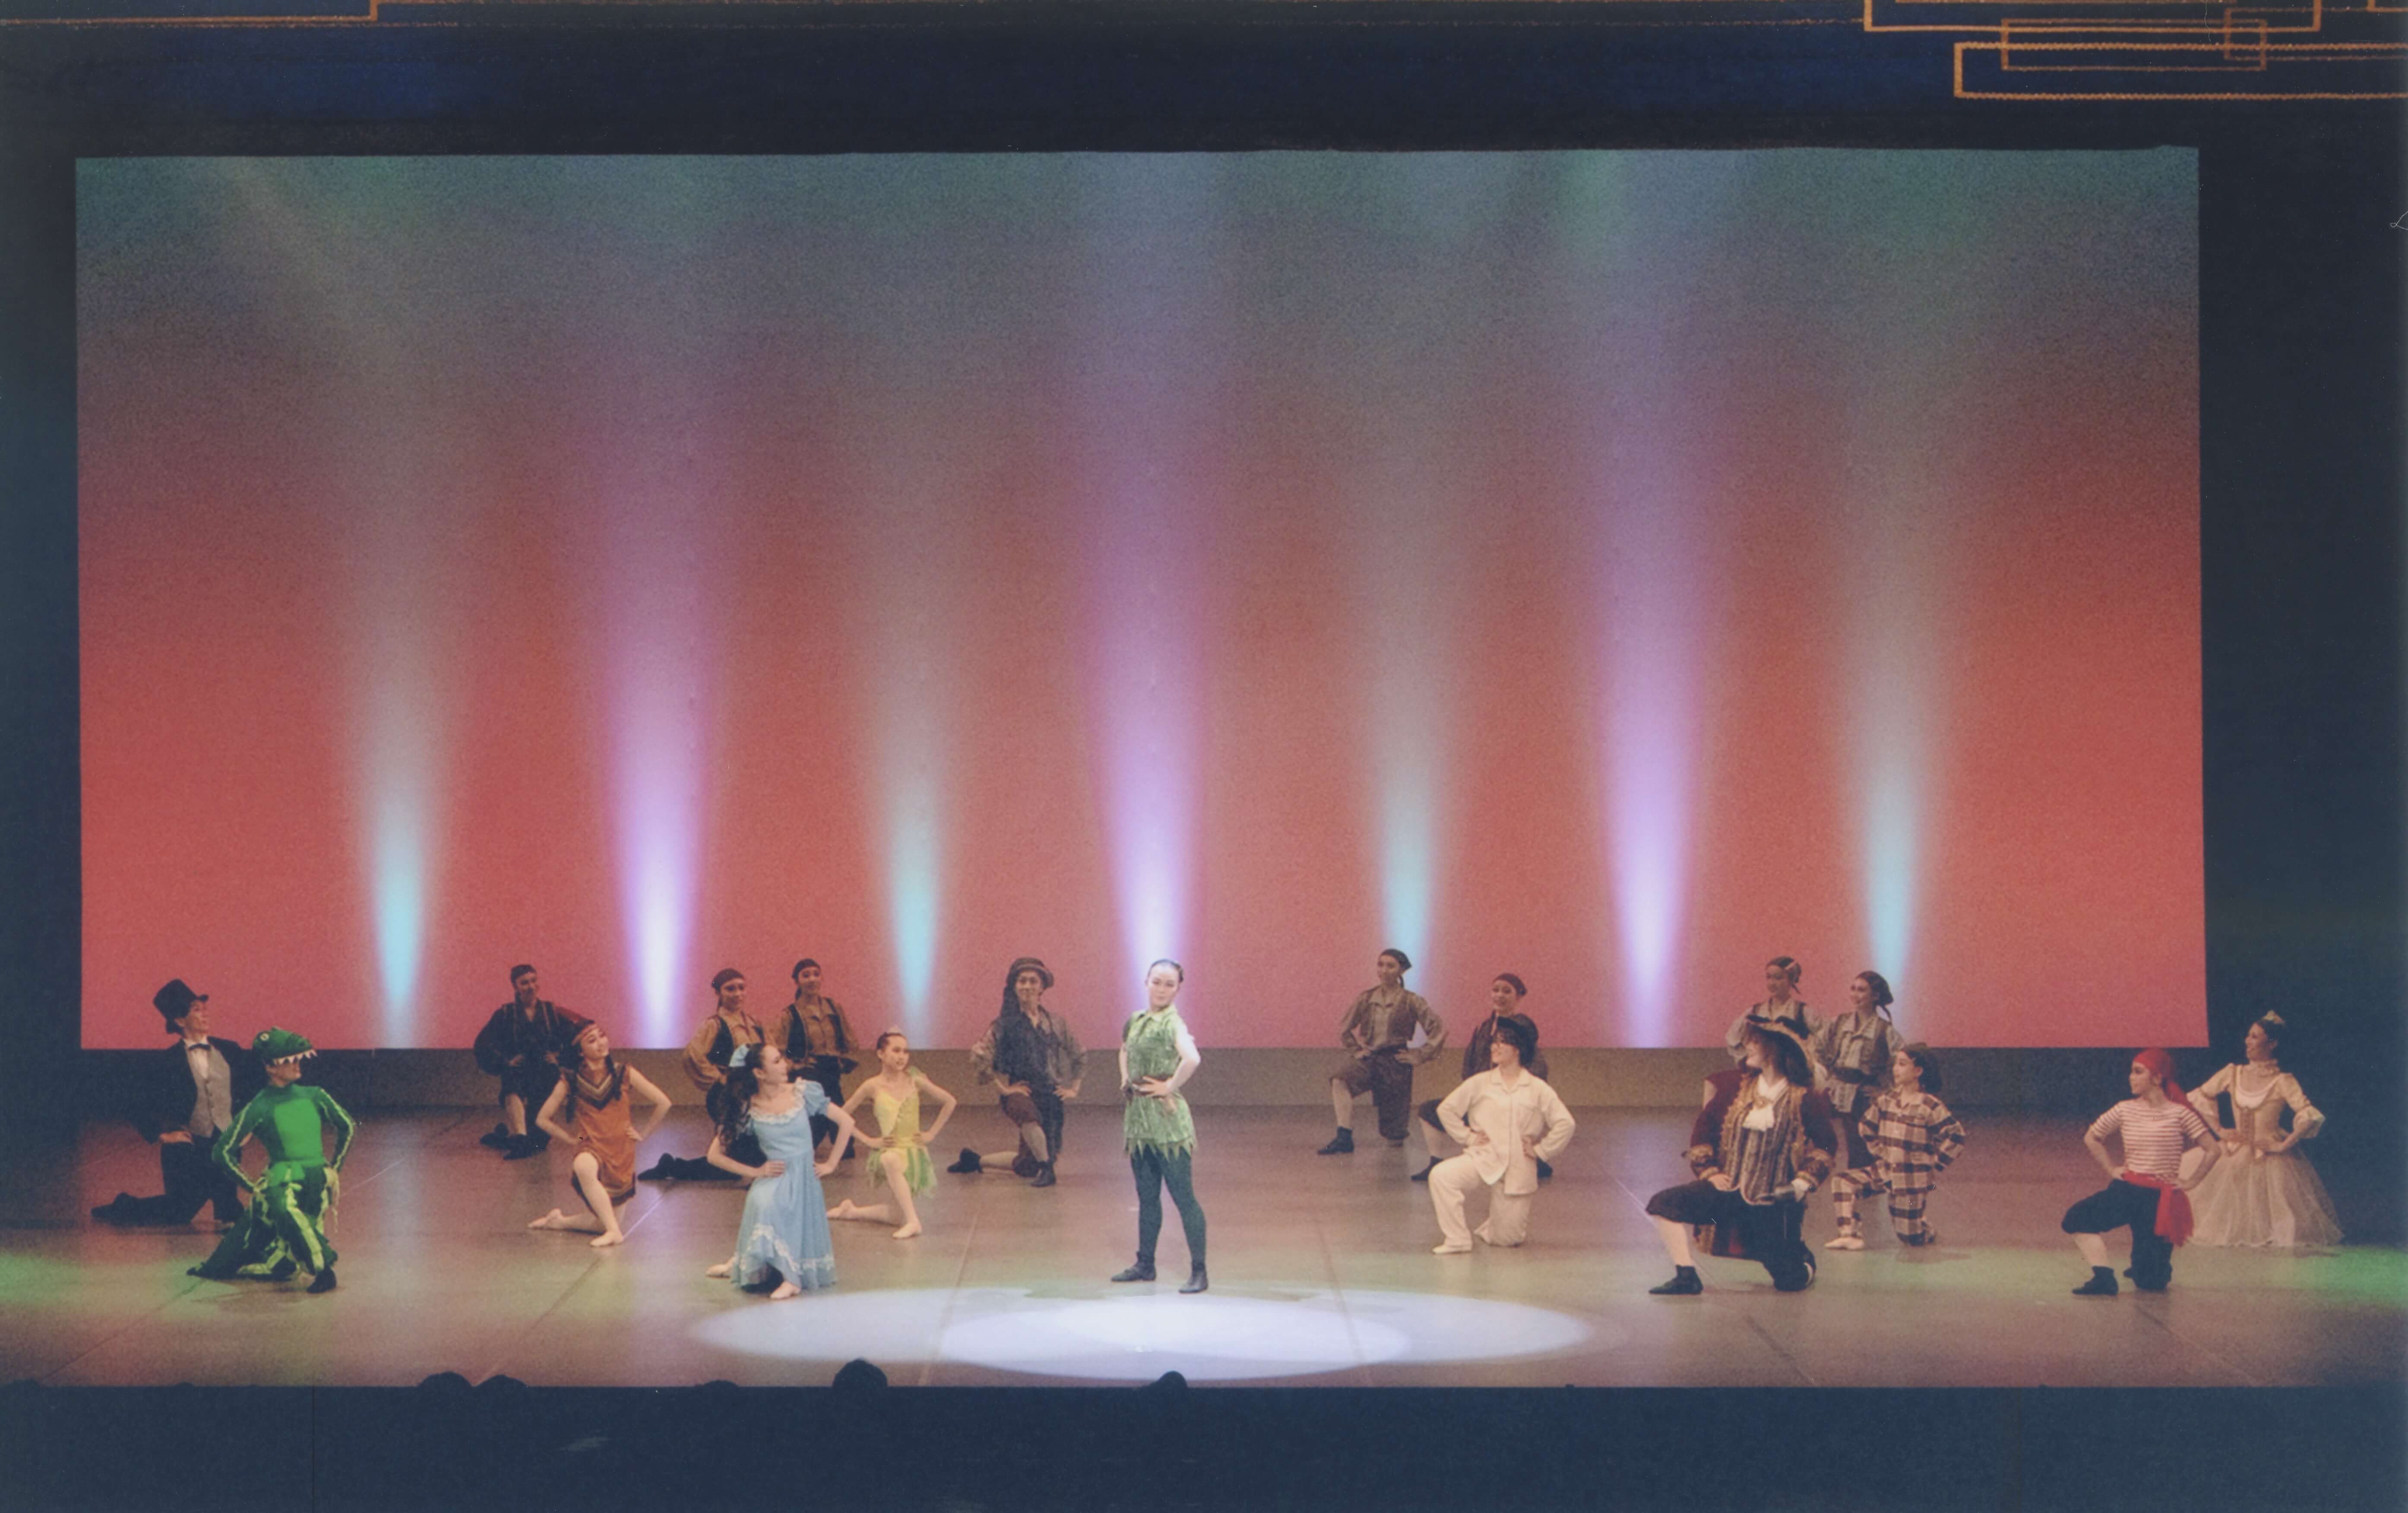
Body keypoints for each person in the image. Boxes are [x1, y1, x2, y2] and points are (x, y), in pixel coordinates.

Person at [1644, 1021, 1836, 1294]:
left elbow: (1826, 1145)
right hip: (1728, 1193)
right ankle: (1686, 1276)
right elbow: (1703, 1131)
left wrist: (1800, 1185)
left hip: (1771, 1202)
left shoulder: (1802, 1098)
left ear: (1774, 1049)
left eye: (1756, 1042)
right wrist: (1710, 1172)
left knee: (1789, 1281)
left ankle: (1802, 1258)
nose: (1749, 1047)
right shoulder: (1734, 1089)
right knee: (1664, 1204)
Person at [188, 1028, 356, 1294]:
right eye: (289, 1061)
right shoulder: (261, 1106)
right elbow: (222, 1151)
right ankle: (323, 1269)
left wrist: (335, 1169)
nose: (297, 1065)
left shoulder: (315, 1095)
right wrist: (252, 1186)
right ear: (271, 1067)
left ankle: (281, 1262)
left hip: (316, 1180)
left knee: (285, 1248)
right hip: (284, 1181)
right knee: (282, 1209)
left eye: (297, 1059)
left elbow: (348, 1125)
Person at [92, 979, 263, 1228]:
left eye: (204, 1008)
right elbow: (133, 1100)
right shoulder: (167, 1062)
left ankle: (229, 1210)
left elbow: (253, 1090)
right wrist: (161, 1134)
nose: (205, 1014)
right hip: (189, 1146)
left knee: (223, 1163)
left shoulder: (230, 1050)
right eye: (196, 1010)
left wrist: (248, 1127)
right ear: (180, 1021)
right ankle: (124, 1205)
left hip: (225, 1139)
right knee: (178, 1212)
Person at [2062, 1048, 2221, 1295]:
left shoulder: (2180, 1114)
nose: (2131, 1077)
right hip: (2128, 1190)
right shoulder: (2125, 1109)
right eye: (2132, 1072)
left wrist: (2191, 1182)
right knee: (2076, 1219)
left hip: (2158, 1200)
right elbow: (2092, 1137)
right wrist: (2111, 1168)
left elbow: (2213, 1149)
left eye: (2138, 1072)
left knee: (2152, 1283)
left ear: (2157, 1078)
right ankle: (2104, 1278)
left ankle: (2145, 1266)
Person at [704, 1044, 858, 1298]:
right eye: (776, 1062)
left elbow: (847, 1122)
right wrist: (756, 1172)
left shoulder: (803, 1092)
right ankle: (742, 1262)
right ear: (760, 1073)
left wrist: (831, 1164)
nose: (785, 1065)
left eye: (782, 1059)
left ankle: (791, 1279)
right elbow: (714, 1155)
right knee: (763, 1203)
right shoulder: (748, 1107)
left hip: (803, 1179)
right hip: (775, 1175)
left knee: (773, 1208)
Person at [2183, 1015, 2339, 1247]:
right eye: (2248, 1035)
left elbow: (2309, 1115)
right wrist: (2218, 1130)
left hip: (2269, 1154)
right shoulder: (2233, 1073)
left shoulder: (2283, 1081)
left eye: (2255, 1037)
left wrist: (2284, 1145)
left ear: (2272, 1044)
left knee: (2270, 1204)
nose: (2248, 1041)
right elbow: (2201, 1096)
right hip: (2235, 1150)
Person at [1426, 1014, 1576, 1253]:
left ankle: (1495, 1225)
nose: (1494, 1047)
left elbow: (1565, 1123)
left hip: (1518, 1167)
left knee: (1506, 1240)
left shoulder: (1537, 1088)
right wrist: (1468, 1137)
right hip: (1484, 1157)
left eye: (1502, 1042)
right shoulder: (1481, 1082)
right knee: (1442, 1176)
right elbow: (1447, 1110)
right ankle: (1457, 1239)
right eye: (1494, 1042)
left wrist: (1541, 1151)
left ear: (1518, 1049)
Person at [527, 1022, 673, 1248]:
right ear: (580, 1051)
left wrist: (643, 1133)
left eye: (602, 1036)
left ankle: (559, 1222)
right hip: (589, 1143)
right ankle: (614, 1233)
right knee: (583, 1166)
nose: (600, 1043)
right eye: (592, 1040)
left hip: (621, 1149)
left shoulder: (624, 1073)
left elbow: (663, 1102)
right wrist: (572, 1139)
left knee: (602, 1223)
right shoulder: (571, 1079)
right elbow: (543, 1119)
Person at [1111, 960, 1209, 1293]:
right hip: (1139, 1120)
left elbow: (1192, 1058)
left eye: (1169, 984)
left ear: (1178, 988)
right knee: (1147, 1196)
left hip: (1167, 1122)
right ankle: (1145, 1263)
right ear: (1146, 982)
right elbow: (1124, 1049)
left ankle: (1199, 1270)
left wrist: (1169, 1086)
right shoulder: (1136, 1020)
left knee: (1183, 1196)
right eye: (1157, 982)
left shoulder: (1172, 1023)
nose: (1162, 989)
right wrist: (1126, 1078)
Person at [953, 957, 1084, 1186]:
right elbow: (980, 1054)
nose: (1027, 986)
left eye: (1033, 981)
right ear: (1014, 986)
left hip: (1049, 1095)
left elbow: (1078, 1053)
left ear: (1042, 987)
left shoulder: (1056, 1023)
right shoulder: (1004, 1024)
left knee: (1028, 1166)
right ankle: (1048, 1171)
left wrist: (1074, 1088)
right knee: (1028, 1116)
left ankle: (974, 1160)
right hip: (1020, 1091)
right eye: (1022, 981)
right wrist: (1004, 1089)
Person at [1412, 973, 1551, 1182]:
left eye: (1507, 991)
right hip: (1482, 1102)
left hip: (1509, 1105)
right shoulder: (1483, 1028)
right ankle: (1436, 1162)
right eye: (1496, 990)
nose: (1500, 995)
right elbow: (1469, 1067)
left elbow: (1537, 1069)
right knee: (1430, 1110)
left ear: (1519, 997)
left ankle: (1529, 1159)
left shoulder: (1522, 1030)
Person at [1832, 1043, 1965, 1248]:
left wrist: (1935, 1161)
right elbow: (1866, 1127)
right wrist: (1879, 1151)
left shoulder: (1930, 1106)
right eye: (1895, 1064)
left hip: (1912, 1184)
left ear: (1918, 1071)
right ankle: (1849, 1235)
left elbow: (1956, 1135)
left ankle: (1922, 1224)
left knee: (1910, 1237)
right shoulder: (1887, 1101)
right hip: (1884, 1172)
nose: (1896, 1069)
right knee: (1843, 1182)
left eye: (1903, 1064)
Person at [639, 968, 767, 1181]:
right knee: (737, 1163)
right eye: (730, 989)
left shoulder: (755, 1023)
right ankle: (673, 1168)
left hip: (752, 1096)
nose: (737, 994)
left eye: (741, 988)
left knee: (741, 1159)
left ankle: (673, 1167)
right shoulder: (715, 1025)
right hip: (728, 1098)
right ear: (718, 993)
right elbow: (693, 1055)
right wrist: (720, 1078)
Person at [1318, 948, 1446, 1155]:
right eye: (1381, 965)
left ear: (1401, 971)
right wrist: (1356, 1050)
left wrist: (1421, 1055)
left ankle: (1394, 1156)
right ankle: (1344, 1137)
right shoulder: (1367, 998)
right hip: (1371, 1058)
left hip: (1397, 1063)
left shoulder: (1412, 1000)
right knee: (1340, 1080)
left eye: (1391, 966)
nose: (1384, 970)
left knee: (1394, 1136)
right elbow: (1345, 1027)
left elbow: (1439, 1029)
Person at [830, 1031, 957, 1239]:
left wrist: (932, 1134)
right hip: (890, 1151)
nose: (902, 1057)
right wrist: (868, 1140)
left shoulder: (915, 1080)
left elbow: (950, 1101)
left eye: (905, 1052)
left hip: (914, 1154)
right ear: (881, 1054)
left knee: (896, 1215)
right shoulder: (872, 1086)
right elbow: (842, 1115)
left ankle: (851, 1212)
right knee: (890, 1159)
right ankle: (914, 1222)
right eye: (896, 1051)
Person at [1815, 970, 1903, 1248]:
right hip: (1836, 1089)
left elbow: (1903, 1061)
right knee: (1822, 1139)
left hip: (1862, 1095)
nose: (1856, 995)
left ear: (1875, 995)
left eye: (1862, 990)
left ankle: (1858, 1205)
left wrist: (1885, 1092)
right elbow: (1818, 1049)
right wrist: (1823, 1077)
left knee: (1860, 1147)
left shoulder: (1884, 1031)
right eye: (1853, 988)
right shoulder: (1839, 1023)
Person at [471, 964, 592, 1159]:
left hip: (545, 1073)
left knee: (538, 1142)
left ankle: (503, 1138)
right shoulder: (506, 1013)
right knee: (512, 1086)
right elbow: (483, 1043)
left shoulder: (552, 1012)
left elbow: (581, 1031)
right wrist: (505, 1062)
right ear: (515, 987)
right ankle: (519, 1138)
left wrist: (559, 1058)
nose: (531, 986)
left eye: (534, 981)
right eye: (525, 983)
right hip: (519, 1071)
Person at [772, 958, 859, 1158]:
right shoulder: (790, 1014)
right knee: (817, 1114)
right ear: (797, 981)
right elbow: (778, 1047)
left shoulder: (834, 1008)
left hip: (832, 1068)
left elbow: (849, 1037)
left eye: (816, 974)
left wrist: (845, 1058)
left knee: (841, 1128)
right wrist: (793, 1066)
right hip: (808, 1071)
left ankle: (838, 1143)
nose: (812, 980)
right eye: (806, 976)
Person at [1725, 956, 1820, 1063]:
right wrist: (1747, 1059)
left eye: (1778, 978)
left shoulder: (1803, 1012)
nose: (1772, 983)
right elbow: (1732, 1038)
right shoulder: (1755, 1012)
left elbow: (1821, 1043)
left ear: (1792, 980)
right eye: (1769, 978)